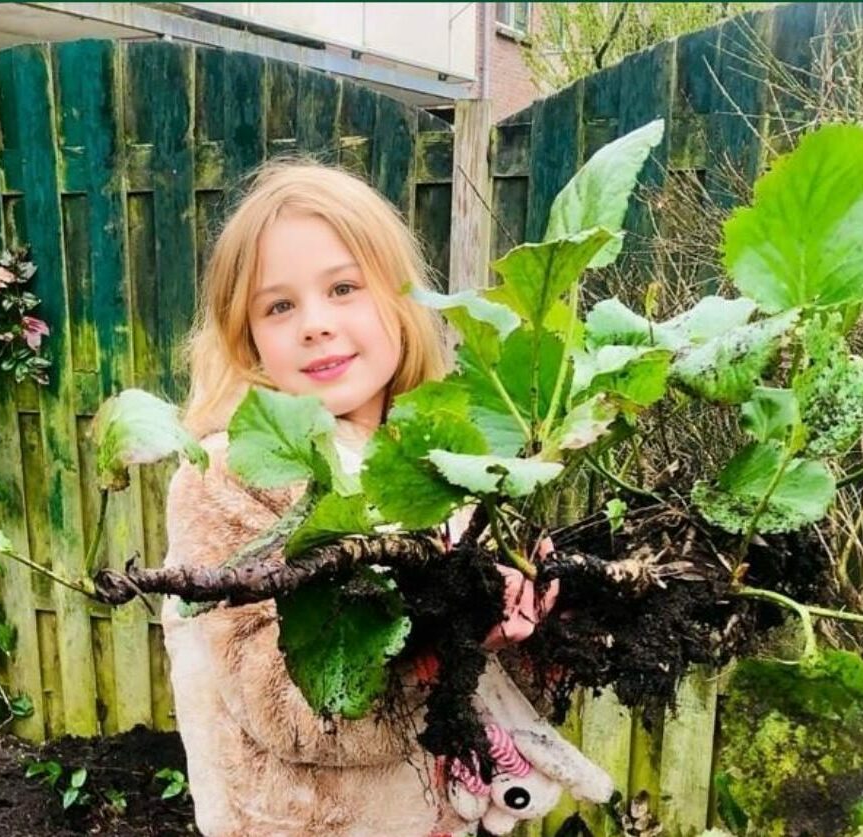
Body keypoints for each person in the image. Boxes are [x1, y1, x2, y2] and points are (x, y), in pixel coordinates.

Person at [162, 159, 611, 837]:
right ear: (243, 332)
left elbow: (497, 687)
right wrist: (440, 644)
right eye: (278, 305)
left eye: (343, 287)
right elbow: (289, 707)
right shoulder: (228, 473)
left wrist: (529, 621)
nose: (314, 323)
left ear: (401, 301)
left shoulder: (443, 463)